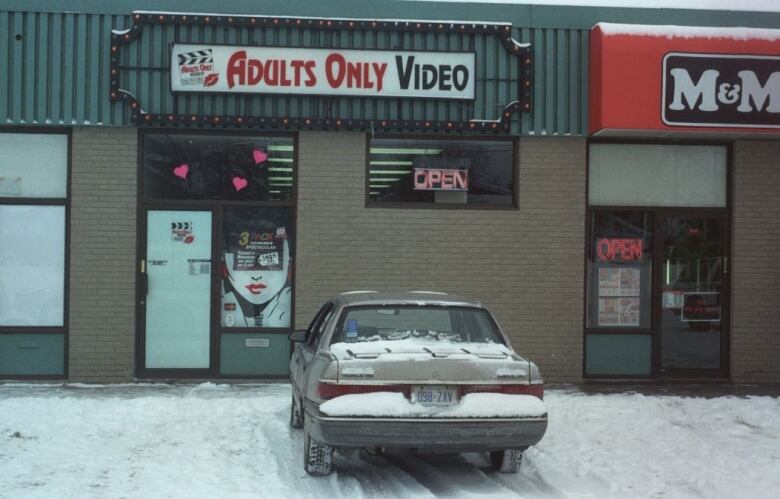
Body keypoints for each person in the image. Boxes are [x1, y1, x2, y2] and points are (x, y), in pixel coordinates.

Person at [221, 221, 292, 328]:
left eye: (269, 267)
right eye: (245, 264)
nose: (256, 276)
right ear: (224, 266)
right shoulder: (223, 304)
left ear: (289, 267)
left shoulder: (286, 308)